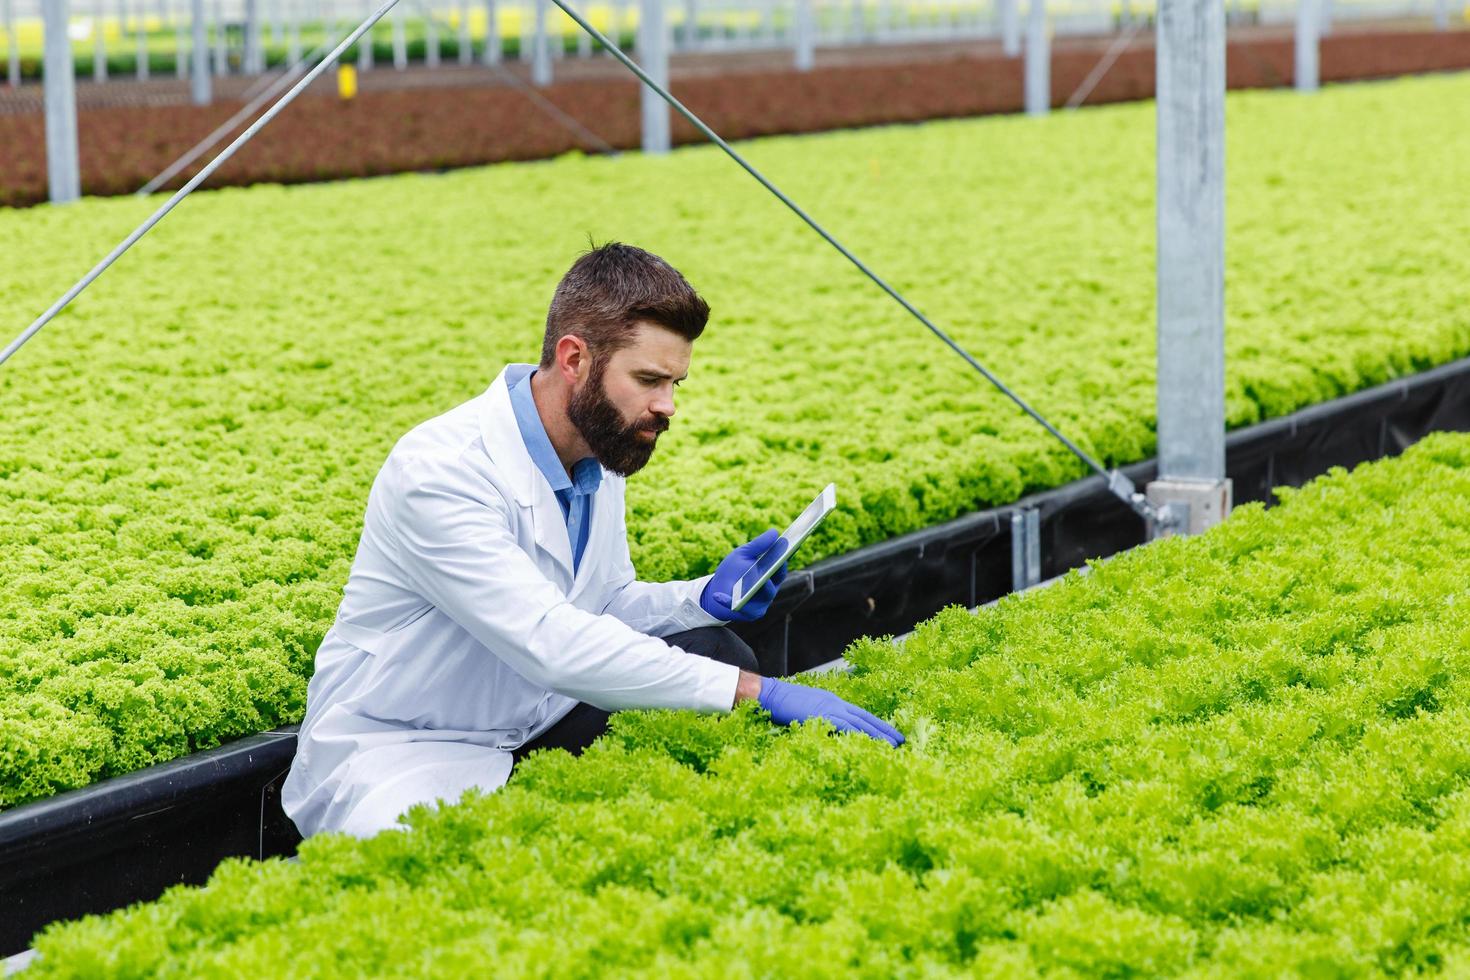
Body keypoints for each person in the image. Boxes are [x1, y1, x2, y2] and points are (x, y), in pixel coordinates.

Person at [282, 242, 903, 839]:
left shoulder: (597, 454)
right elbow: (550, 639)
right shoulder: (441, 473)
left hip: (531, 716)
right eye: (649, 379)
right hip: (408, 747)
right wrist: (759, 693)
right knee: (434, 859)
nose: (668, 407)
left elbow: (598, 603)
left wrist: (698, 600)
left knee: (717, 646)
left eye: (675, 385)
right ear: (575, 358)